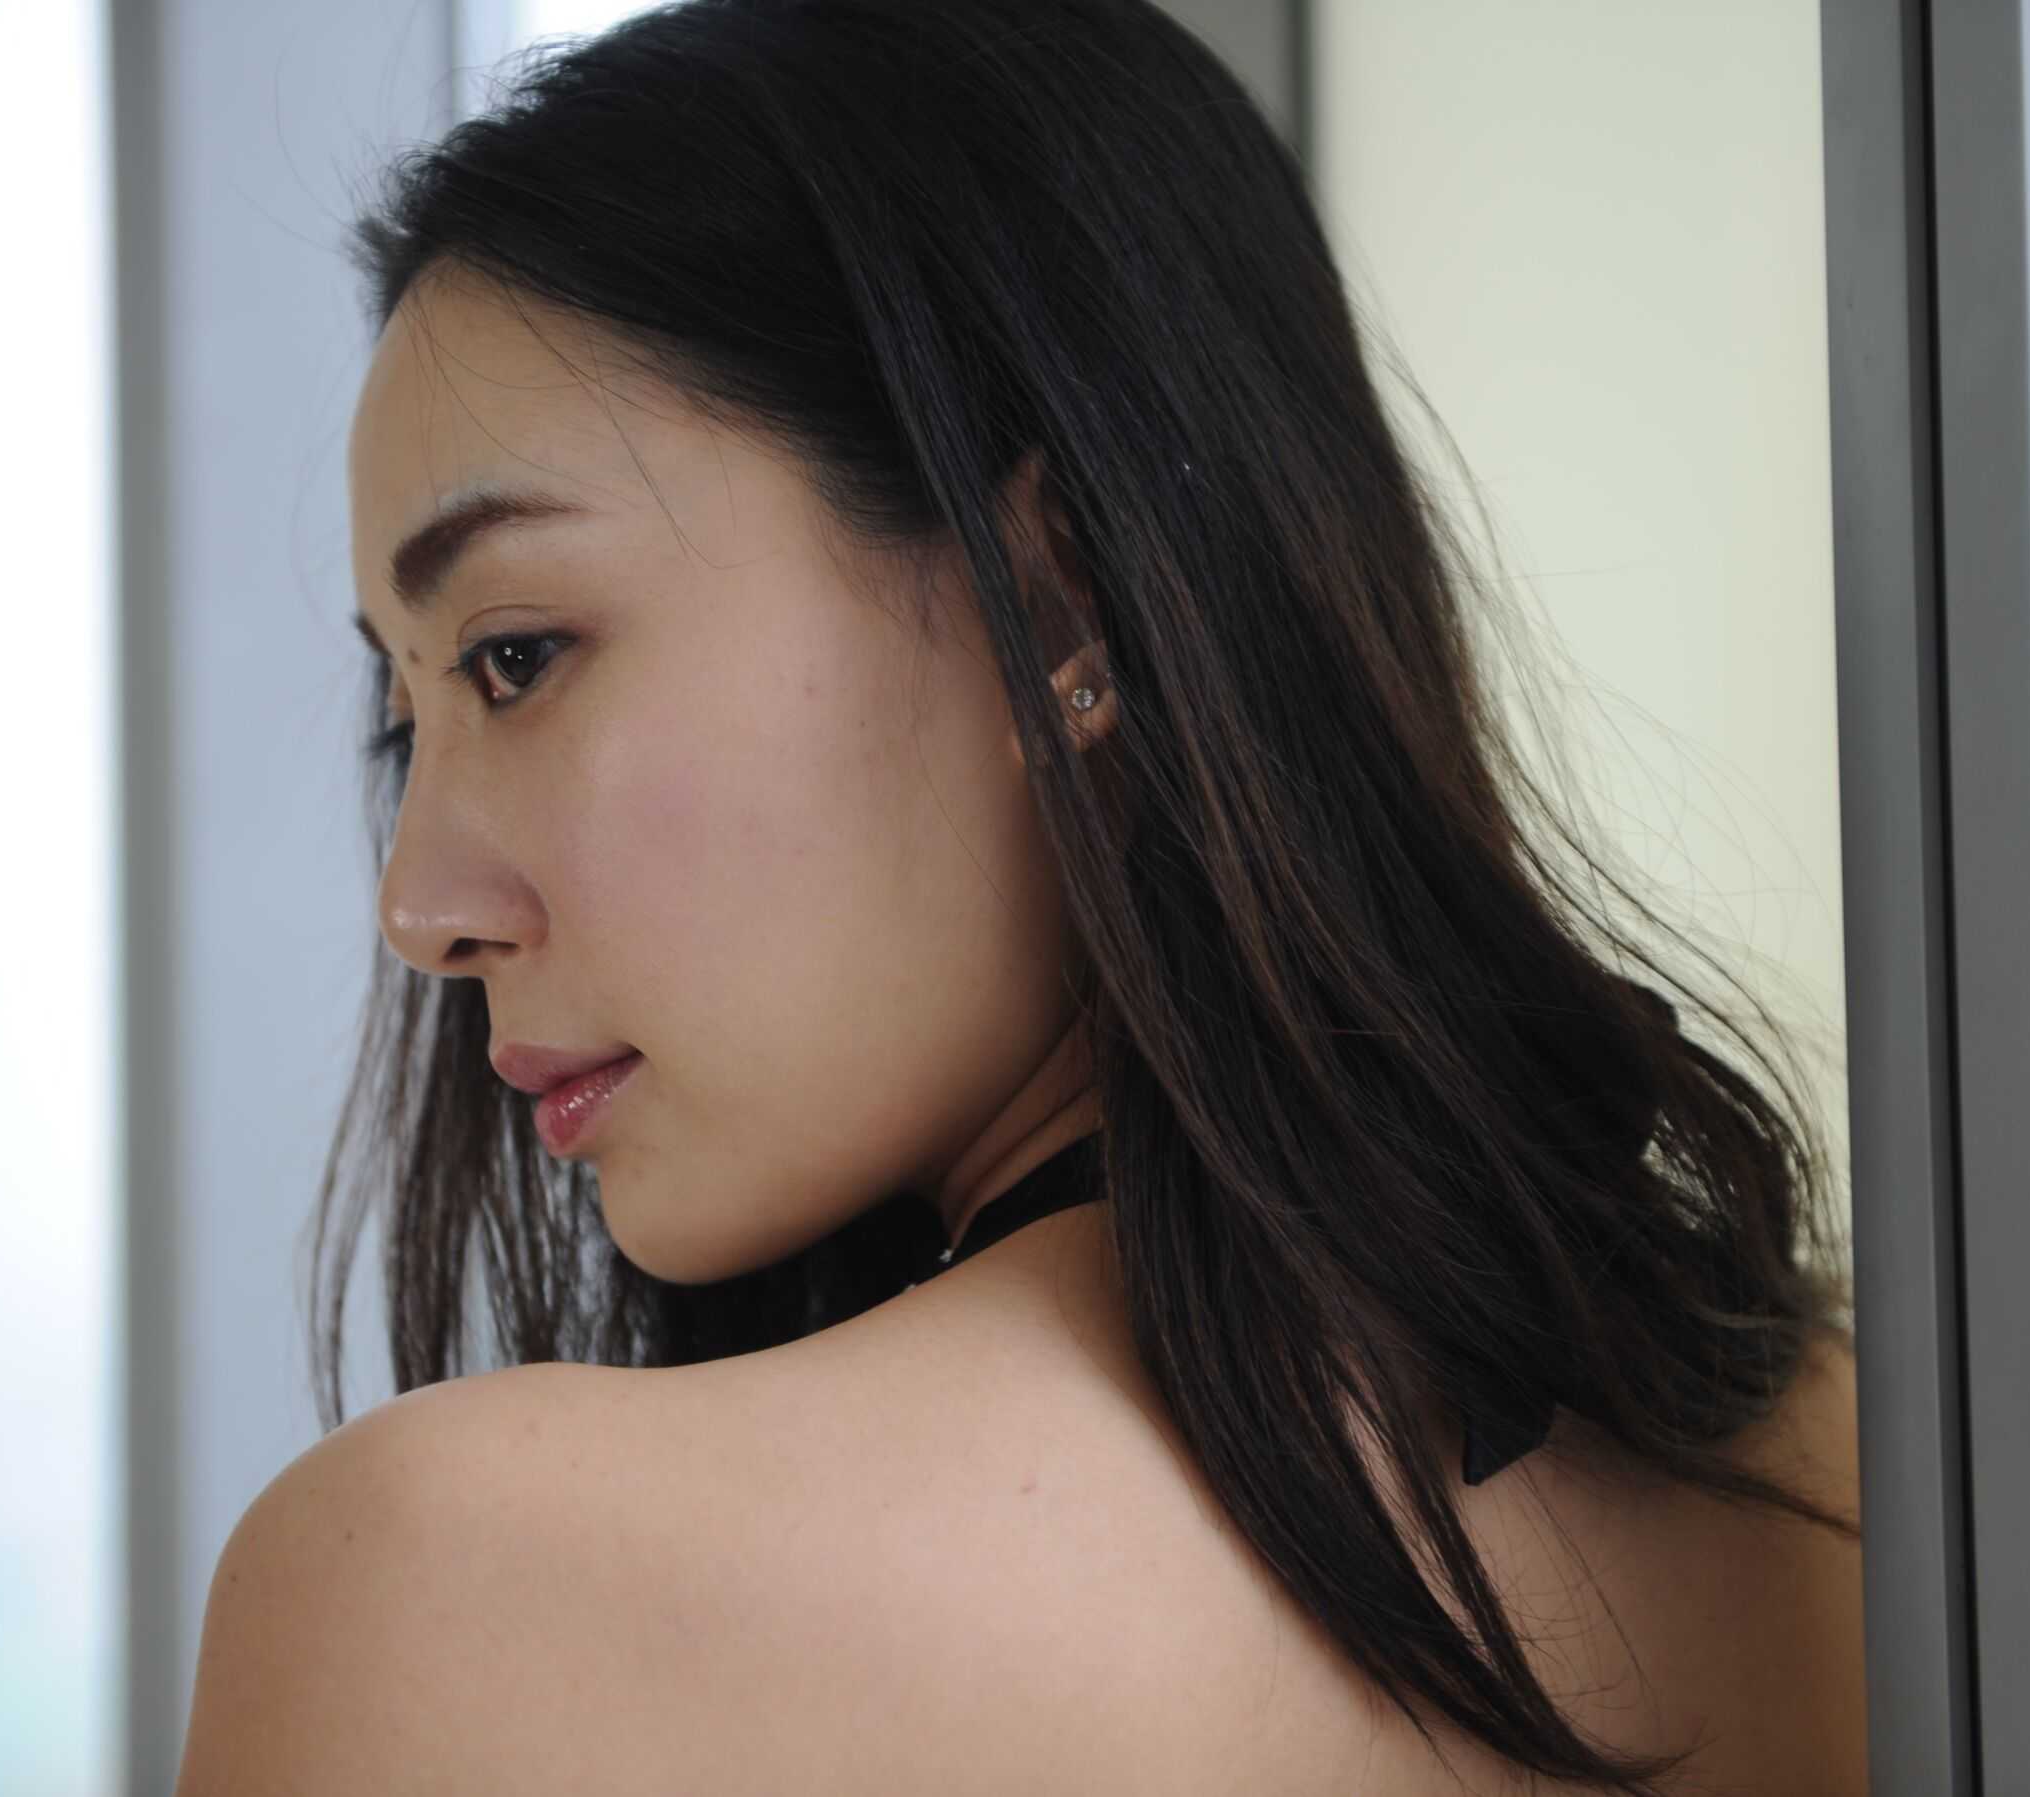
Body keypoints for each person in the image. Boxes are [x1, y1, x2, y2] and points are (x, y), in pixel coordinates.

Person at [173, 1, 1864, 1790]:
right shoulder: (1866, 1466)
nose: (421, 904)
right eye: (405, 720)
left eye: (514, 655)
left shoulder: (465, 1599)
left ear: (1050, 601)